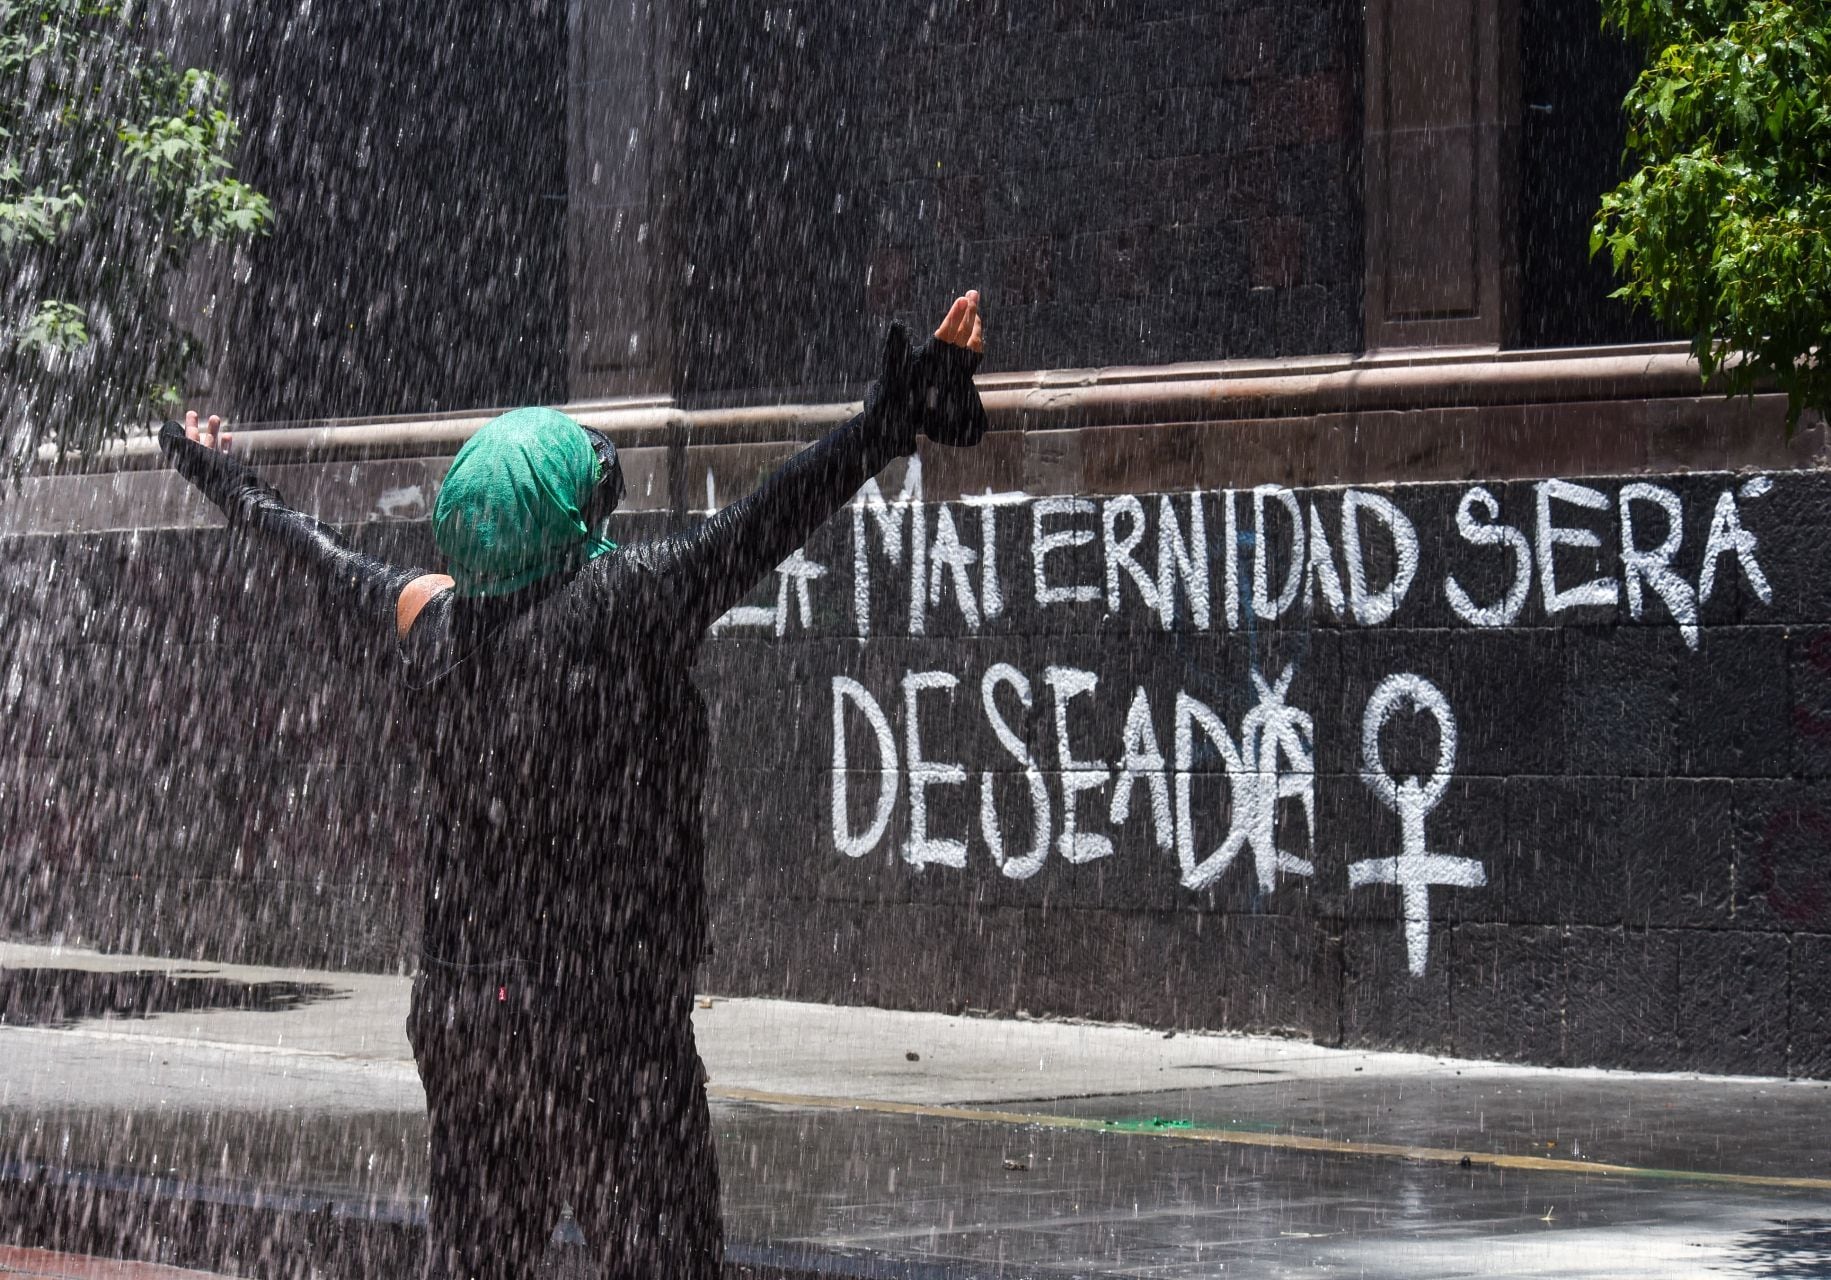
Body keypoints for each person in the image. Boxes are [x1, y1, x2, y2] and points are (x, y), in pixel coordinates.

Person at [160, 292, 989, 1280]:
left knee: (479, 1259)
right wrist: (887, 423)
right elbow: (767, 518)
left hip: (470, 1013)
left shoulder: (430, 622)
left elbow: (313, 553)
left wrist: (221, 476)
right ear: (565, 511)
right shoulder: (628, 604)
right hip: (610, 1020)